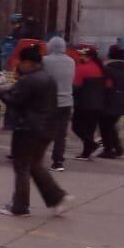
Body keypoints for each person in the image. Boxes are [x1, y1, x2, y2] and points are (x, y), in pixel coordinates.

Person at [0, 45, 68, 218]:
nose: (20, 66)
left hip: (28, 128)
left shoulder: (29, 80)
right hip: (46, 127)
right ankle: (57, 197)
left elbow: (16, 100)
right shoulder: (48, 78)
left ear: (27, 62)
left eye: (21, 62)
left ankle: (20, 206)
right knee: (35, 165)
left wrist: (0, 91)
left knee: (22, 167)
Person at [43, 36, 75, 171]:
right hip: (67, 102)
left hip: (49, 102)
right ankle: (58, 162)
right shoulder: (71, 61)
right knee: (61, 134)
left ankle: (34, 156)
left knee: (43, 131)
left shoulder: (45, 60)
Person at [71, 46, 107, 161]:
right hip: (98, 104)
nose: (80, 56)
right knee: (89, 129)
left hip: (83, 104)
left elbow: (75, 88)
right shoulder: (101, 68)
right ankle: (86, 153)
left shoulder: (82, 68)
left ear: (89, 57)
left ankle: (92, 145)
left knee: (76, 127)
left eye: (83, 55)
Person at [98, 45, 124, 159]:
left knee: (105, 125)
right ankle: (117, 148)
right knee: (111, 125)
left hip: (108, 100)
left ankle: (109, 149)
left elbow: (106, 85)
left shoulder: (107, 67)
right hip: (123, 100)